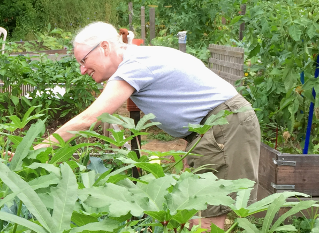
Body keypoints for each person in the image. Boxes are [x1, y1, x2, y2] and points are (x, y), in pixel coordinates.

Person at [33, 22, 260, 229]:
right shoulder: (140, 57)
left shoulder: (135, 65)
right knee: (194, 211)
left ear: (104, 47)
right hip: (211, 129)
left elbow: (89, 118)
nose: (82, 69)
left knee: (213, 216)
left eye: (83, 61)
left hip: (225, 125)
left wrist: (36, 151)